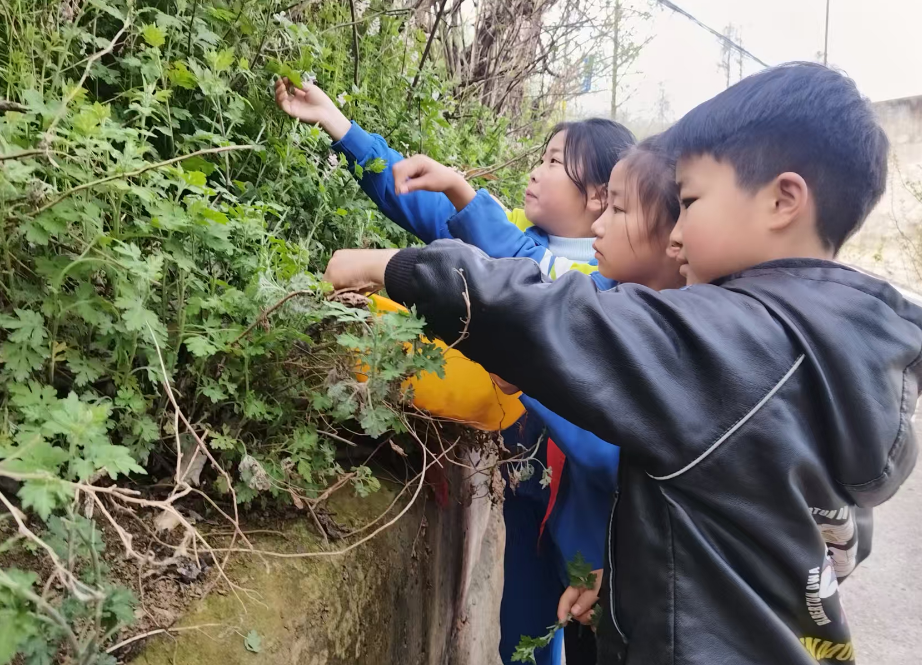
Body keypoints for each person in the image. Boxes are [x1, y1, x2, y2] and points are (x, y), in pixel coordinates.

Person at [320, 63, 922, 664]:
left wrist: (395, 267)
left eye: (690, 202)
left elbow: (557, 319)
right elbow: (780, 542)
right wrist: (635, 576)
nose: (676, 233)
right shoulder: (834, 360)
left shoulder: (735, 344)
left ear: (782, 200)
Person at [274, 77, 635, 665]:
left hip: (591, 527)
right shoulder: (522, 238)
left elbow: (521, 279)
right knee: (523, 637)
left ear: (599, 196)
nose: (537, 171)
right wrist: (340, 125)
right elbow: (437, 214)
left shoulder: (613, 285)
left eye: (553, 162)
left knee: (588, 634)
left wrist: (444, 215)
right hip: (526, 494)